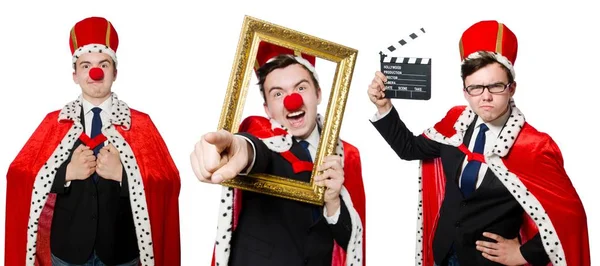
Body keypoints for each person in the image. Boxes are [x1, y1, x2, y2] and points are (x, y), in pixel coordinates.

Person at [368, 20, 590, 266]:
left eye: (495, 86)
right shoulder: (455, 123)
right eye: (475, 87)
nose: (485, 96)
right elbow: (409, 149)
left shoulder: (534, 146)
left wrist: (525, 254)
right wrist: (383, 107)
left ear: (511, 88)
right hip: (443, 252)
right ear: (465, 91)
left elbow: (571, 218)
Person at [5, 16, 181, 266]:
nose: (95, 72)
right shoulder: (54, 123)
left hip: (122, 253)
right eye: (85, 65)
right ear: (75, 75)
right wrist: (66, 172)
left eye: (103, 64)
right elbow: (19, 176)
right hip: (68, 252)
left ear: (115, 72)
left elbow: (169, 182)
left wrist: (124, 174)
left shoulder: (140, 124)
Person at [190, 41, 366, 266]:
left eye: (301, 88)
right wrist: (240, 148)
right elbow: (253, 148)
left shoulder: (346, 155)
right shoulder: (260, 135)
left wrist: (333, 202)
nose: (292, 101)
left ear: (318, 94)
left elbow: (351, 244)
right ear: (267, 109)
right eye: (277, 94)